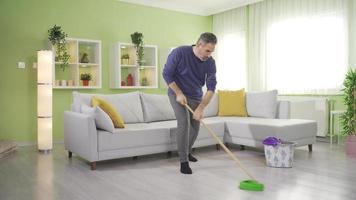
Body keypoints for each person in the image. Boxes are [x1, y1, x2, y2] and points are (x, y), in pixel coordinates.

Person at [162, 32, 217, 174]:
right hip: (177, 93)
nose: (209, 54)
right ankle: (183, 161)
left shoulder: (210, 62)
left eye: (212, 51)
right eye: (208, 50)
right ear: (199, 45)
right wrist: (179, 93)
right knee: (184, 122)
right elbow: (167, 74)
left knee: (195, 127)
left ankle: (187, 151)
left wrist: (201, 107)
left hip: (196, 96)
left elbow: (211, 88)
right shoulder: (180, 52)